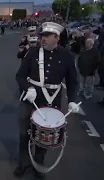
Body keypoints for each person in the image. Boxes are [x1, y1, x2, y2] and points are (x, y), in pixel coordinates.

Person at [15, 22, 80, 179]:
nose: (42, 39)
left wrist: (72, 100)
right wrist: (28, 88)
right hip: (30, 98)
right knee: (24, 132)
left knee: (44, 136)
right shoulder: (32, 53)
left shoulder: (66, 56)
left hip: (51, 101)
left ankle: (38, 163)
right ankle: (24, 162)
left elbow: (72, 82)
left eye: (46, 36)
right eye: (42, 36)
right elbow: (20, 76)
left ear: (56, 38)